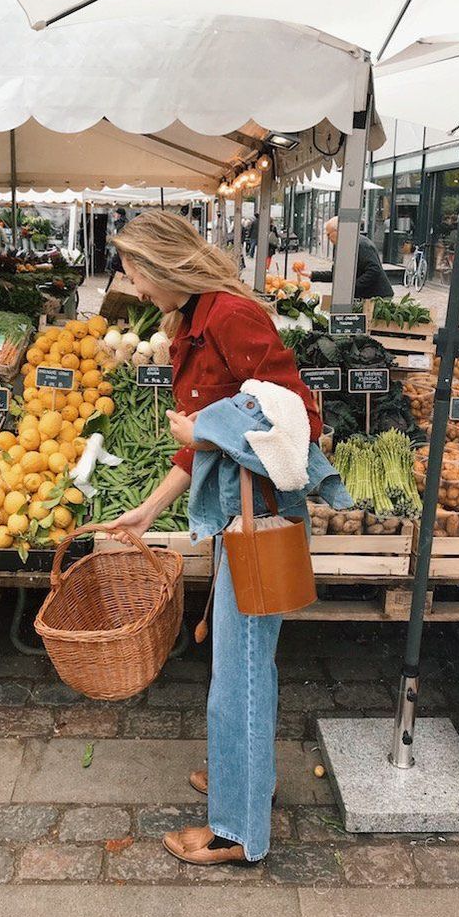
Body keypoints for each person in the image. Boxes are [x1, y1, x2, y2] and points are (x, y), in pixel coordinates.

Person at [108, 210, 349, 867]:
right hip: (234, 513)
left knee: (238, 673)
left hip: (259, 517)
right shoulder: (196, 319)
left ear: (160, 264)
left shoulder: (231, 317)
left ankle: (238, 831)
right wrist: (145, 509)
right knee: (238, 666)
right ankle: (247, 777)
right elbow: (199, 452)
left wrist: (205, 430)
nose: (129, 285)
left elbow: (300, 414)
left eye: (131, 270)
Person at [309, 216, 393, 299]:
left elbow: (374, 270)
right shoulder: (342, 247)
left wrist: (353, 288)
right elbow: (337, 275)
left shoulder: (361, 244)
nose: (328, 238)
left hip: (377, 297)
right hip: (363, 295)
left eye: (329, 234)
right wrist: (312, 275)